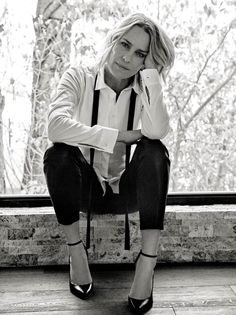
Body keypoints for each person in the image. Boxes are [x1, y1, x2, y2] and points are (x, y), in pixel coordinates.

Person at [43, 12, 174, 314]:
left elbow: (155, 132)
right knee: (58, 154)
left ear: (147, 62)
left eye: (140, 54)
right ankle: (77, 255)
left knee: (155, 151)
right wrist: (118, 136)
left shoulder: (145, 89)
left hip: (125, 194)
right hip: (85, 191)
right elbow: (55, 126)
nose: (127, 58)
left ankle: (146, 265)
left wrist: (152, 75)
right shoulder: (79, 76)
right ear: (113, 40)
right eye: (125, 45)